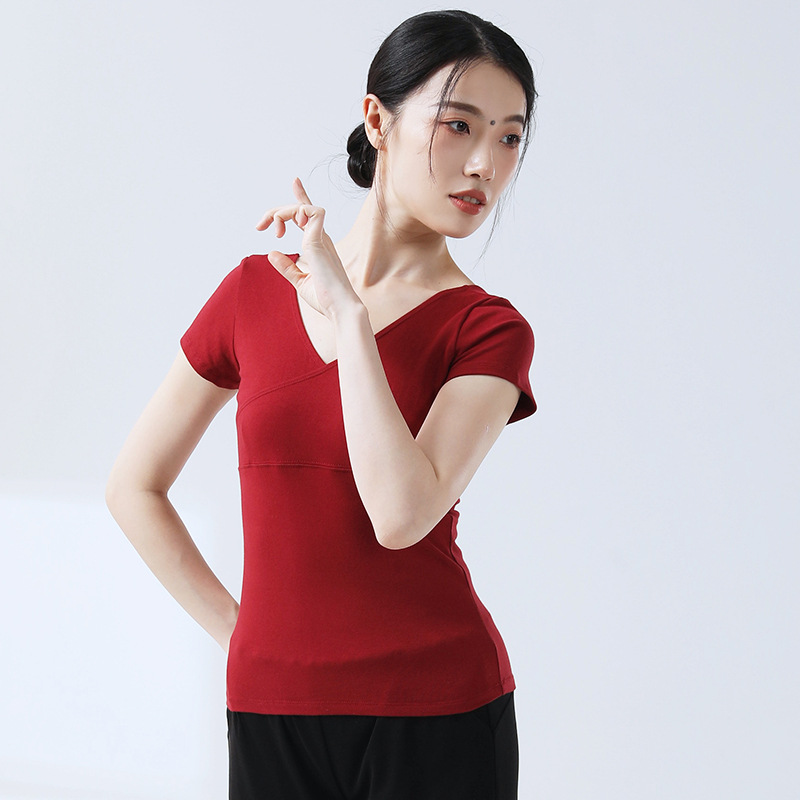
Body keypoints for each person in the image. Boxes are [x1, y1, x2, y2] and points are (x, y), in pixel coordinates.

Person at [105, 9, 539, 800]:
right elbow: (134, 486)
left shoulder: (487, 330)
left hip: (438, 709)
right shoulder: (251, 292)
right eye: (459, 125)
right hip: (271, 708)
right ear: (377, 119)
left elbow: (400, 515)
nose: (485, 163)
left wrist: (350, 318)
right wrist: (244, 636)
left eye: (510, 138)